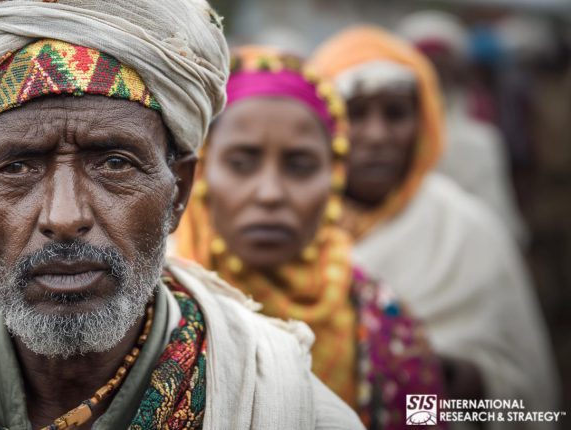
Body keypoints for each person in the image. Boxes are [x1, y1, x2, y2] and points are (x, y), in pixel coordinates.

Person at [0, 1, 364, 429]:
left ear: (179, 193)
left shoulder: (293, 415)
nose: (64, 216)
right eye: (17, 168)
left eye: (115, 163)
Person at [172, 45, 445, 429]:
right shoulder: (154, 313)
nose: (270, 193)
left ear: (334, 177)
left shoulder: (386, 328)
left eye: (300, 166)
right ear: (200, 173)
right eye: (241, 163)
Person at [307, 26, 558, 426]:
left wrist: (443, 391)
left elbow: (529, 397)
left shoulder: (469, 230)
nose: (377, 135)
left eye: (395, 114)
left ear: (423, 122)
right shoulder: (289, 224)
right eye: (356, 113)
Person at [397, 11, 527, 245]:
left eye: (441, 65)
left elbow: (498, 223)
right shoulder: (389, 139)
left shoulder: (480, 141)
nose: (434, 75)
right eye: (425, 66)